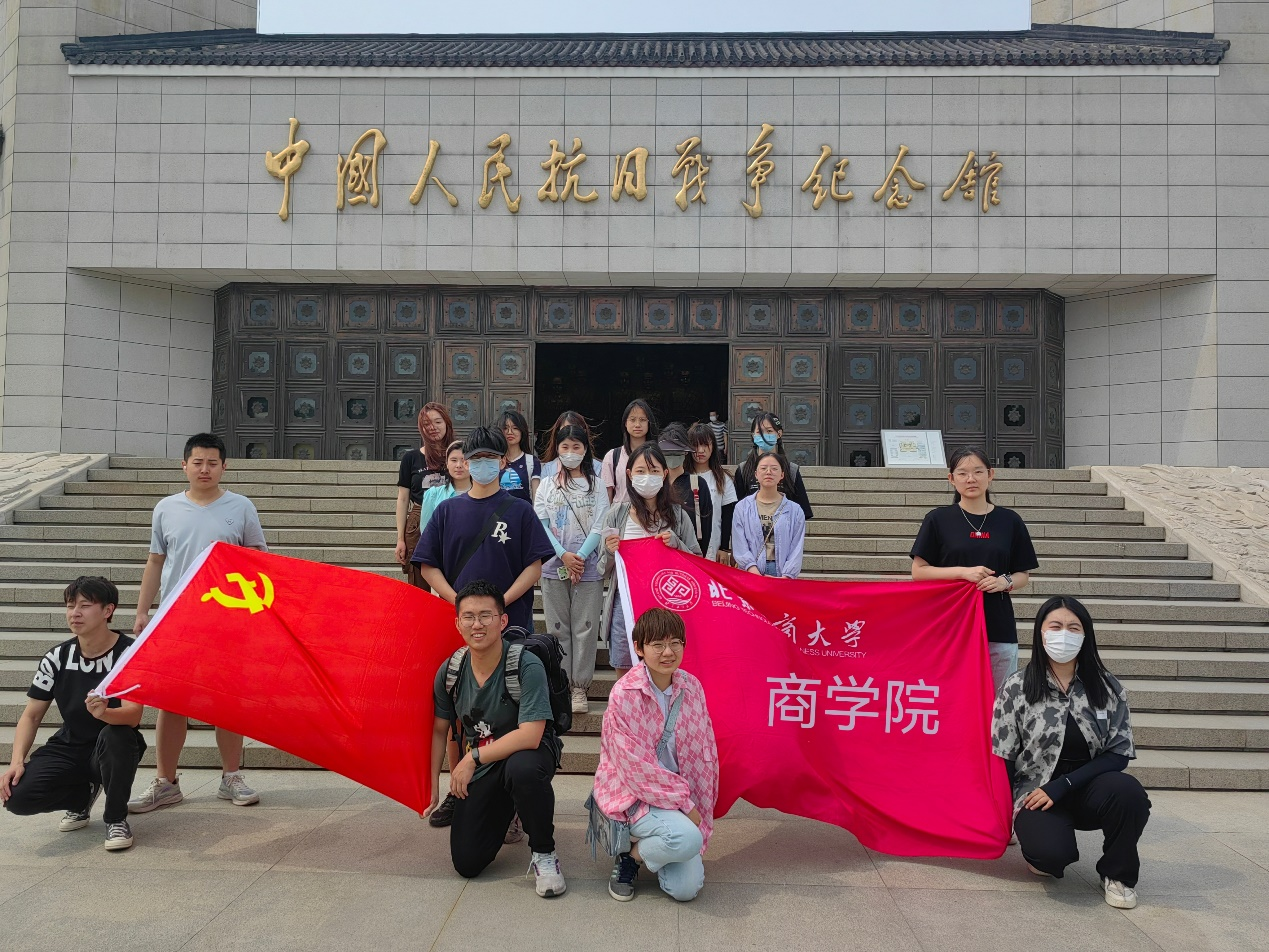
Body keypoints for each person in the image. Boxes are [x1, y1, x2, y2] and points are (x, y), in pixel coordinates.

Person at [413, 425, 557, 829]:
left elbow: (535, 565)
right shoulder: (448, 511)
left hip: (510, 627)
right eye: (474, 458)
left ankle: (510, 803)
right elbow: (428, 565)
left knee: (509, 712)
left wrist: (500, 604)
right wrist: (459, 605)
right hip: (461, 627)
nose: (481, 465)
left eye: (490, 458)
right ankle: (458, 792)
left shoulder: (519, 510)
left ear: (503, 462)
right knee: (460, 712)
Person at [129, 433, 268, 814]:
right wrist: (143, 611)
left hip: (227, 618)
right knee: (171, 701)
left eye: (212, 463)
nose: (204, 469)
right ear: (184, 466)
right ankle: (166, 781)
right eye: (197, 462)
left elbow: (259, 560)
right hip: (177, 618)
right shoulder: (166, 508)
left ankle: (231, 776)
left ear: (224, 466)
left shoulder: (240, 507)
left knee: (227, 700)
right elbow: (156, 561)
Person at [993, 596, 1151, 909]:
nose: (1064, 634)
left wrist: (1064, 785)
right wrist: (1004, 815)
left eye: (1073, 627)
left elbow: (1118, 754)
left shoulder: (1107, 688)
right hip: (1036, 793)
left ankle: (1118, 875)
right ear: (1041, 632)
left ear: (1085, 634)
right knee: (1050, 858)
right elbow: (1004, 755)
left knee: (1129, 793)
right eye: (1055, 626)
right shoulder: (1017, 686)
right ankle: (1044, 848)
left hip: (1090, 787)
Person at [426, 581, 566, 898]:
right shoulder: (450, 671)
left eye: (486, 616)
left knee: (523, 770)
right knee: (467, 862)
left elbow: (531, 734)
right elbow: (439, 729)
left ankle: (544, 853)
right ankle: (511, 806)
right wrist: (431, 784)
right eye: (469, 617)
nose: (477, 624)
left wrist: (471, 758)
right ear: (457, 623)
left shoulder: (525, 665)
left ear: (502, 621)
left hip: (526, 753)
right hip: (485, 764)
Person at [2, 577, 146, 851]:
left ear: (108, 610)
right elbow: (31, 716)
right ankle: (82, 797)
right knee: (17, 798)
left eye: (85, 606)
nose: (75, 613)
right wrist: (16, 761)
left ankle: (116, 819)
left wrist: (104, 713)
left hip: (113, 745)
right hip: (70, 745)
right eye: (70, 606)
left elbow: (133, 716)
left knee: (117, 736)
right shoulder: (57, 657)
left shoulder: (129, 654)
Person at [591, 608, 718, 903]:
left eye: (675, 643)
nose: (668, 652)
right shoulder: (625, 693)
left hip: (677, 796)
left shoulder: (692, 688)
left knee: (685, 890)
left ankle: (646, 848)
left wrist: (701, 801)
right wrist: (686, 805)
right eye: (658, 644)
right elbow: (635, 769)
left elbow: (706, 751)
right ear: (639, 648)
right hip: (636, 795)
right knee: (687, 838)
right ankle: (632, 858)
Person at [910, 446, 1039, 692]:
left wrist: (1004, 582)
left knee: (999, 700)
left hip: (997, 624)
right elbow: (919, 571)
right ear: (951, 479)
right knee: (952, 696)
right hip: (950, 625)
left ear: (991, 475)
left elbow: (1023, 574)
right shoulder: (937, 519)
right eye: (962, 473)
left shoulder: (1010, 520)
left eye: (978, 472)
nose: (971, 479)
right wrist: (963, 572)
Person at [596, 444, 702, 678]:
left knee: (667, 669)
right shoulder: (616, 515)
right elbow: (601, 569)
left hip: (667, 606)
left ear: (664, 474)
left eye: (654, 471)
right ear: (629, 474)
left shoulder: (678, 516)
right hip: (626, 606)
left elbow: (697, 563)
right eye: (641, 471)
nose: (647, 477)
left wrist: (677, 544)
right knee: (626, 670)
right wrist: (611, 552)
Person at [534, 423, 607, 715]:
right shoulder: (547, 485)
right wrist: (563, 555)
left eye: (576, 446)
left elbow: (600, 525)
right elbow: (541, 524)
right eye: (565, 447)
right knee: (558, 628)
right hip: (555, 567)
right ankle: (562, 685)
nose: (570, 452)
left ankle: (579, 687)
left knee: (585, 628)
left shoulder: (597, 485)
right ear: (557, 449)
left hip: (588, 568)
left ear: (585, 449)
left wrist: (580, 556)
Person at [395, 403, 456, 588]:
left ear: (447, 423)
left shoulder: (458, 456)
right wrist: (400, 539)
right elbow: (403, 498)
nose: (433, 427)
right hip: (418, 518)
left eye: (438, 422)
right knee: (418, 581)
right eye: (427, 423)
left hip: (452, 517)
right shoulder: (411, 458)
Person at [731, 452, 806, 579]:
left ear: (782, 475)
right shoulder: (742, 507)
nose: (769, 472)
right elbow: (740, 545)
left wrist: (786, 577)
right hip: (751, 572)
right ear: (756, 474)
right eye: (763, 468)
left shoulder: (795, 510)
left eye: (774, 468)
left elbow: (796, 548)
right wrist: (754, 572)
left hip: (781, 573)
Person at [732, 412, 813, 520]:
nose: (764, 436)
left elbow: (802, 512)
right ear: (753, 435)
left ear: (779, 433)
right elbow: (735, 511)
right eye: (759, 432)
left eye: (769, 431)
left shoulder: (791, 470)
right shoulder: (743, 470)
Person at [685, 422, 737, 561]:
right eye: (695, 445)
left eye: (705, 445)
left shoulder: (723, 478)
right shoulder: (682, 477)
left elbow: (728, 516)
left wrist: (724, 548)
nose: (700, 450)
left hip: (714, 547)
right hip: (685, 548)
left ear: (713, 446)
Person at [601, 398, 659, 506]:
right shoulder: (612, 456)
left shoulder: (658, 455)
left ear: (649, 423)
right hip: (620, 513)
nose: (637, 424)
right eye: (632, 420)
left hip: (651, 512)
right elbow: (606, 498)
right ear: (625, 423)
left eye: (642, 420)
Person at [420, 440, 472, 530]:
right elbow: (426, 531)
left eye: (464, 460)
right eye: (454, 460)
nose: (459, 465)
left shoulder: (482, 494)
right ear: (447, 464)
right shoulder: (433, 494)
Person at [539, 410, 602, 481]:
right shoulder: (548, 469)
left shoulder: (598, 468)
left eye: (576, 429)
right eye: (565, 429)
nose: (570, 433)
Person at [498, 409, 542, 504]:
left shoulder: (532, 462)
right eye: (505, 428)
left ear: (522, 431)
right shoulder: (495, 460)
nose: (510, 432)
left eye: (515, 428)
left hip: (524, 512)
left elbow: (537, 498)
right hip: (498, 512)